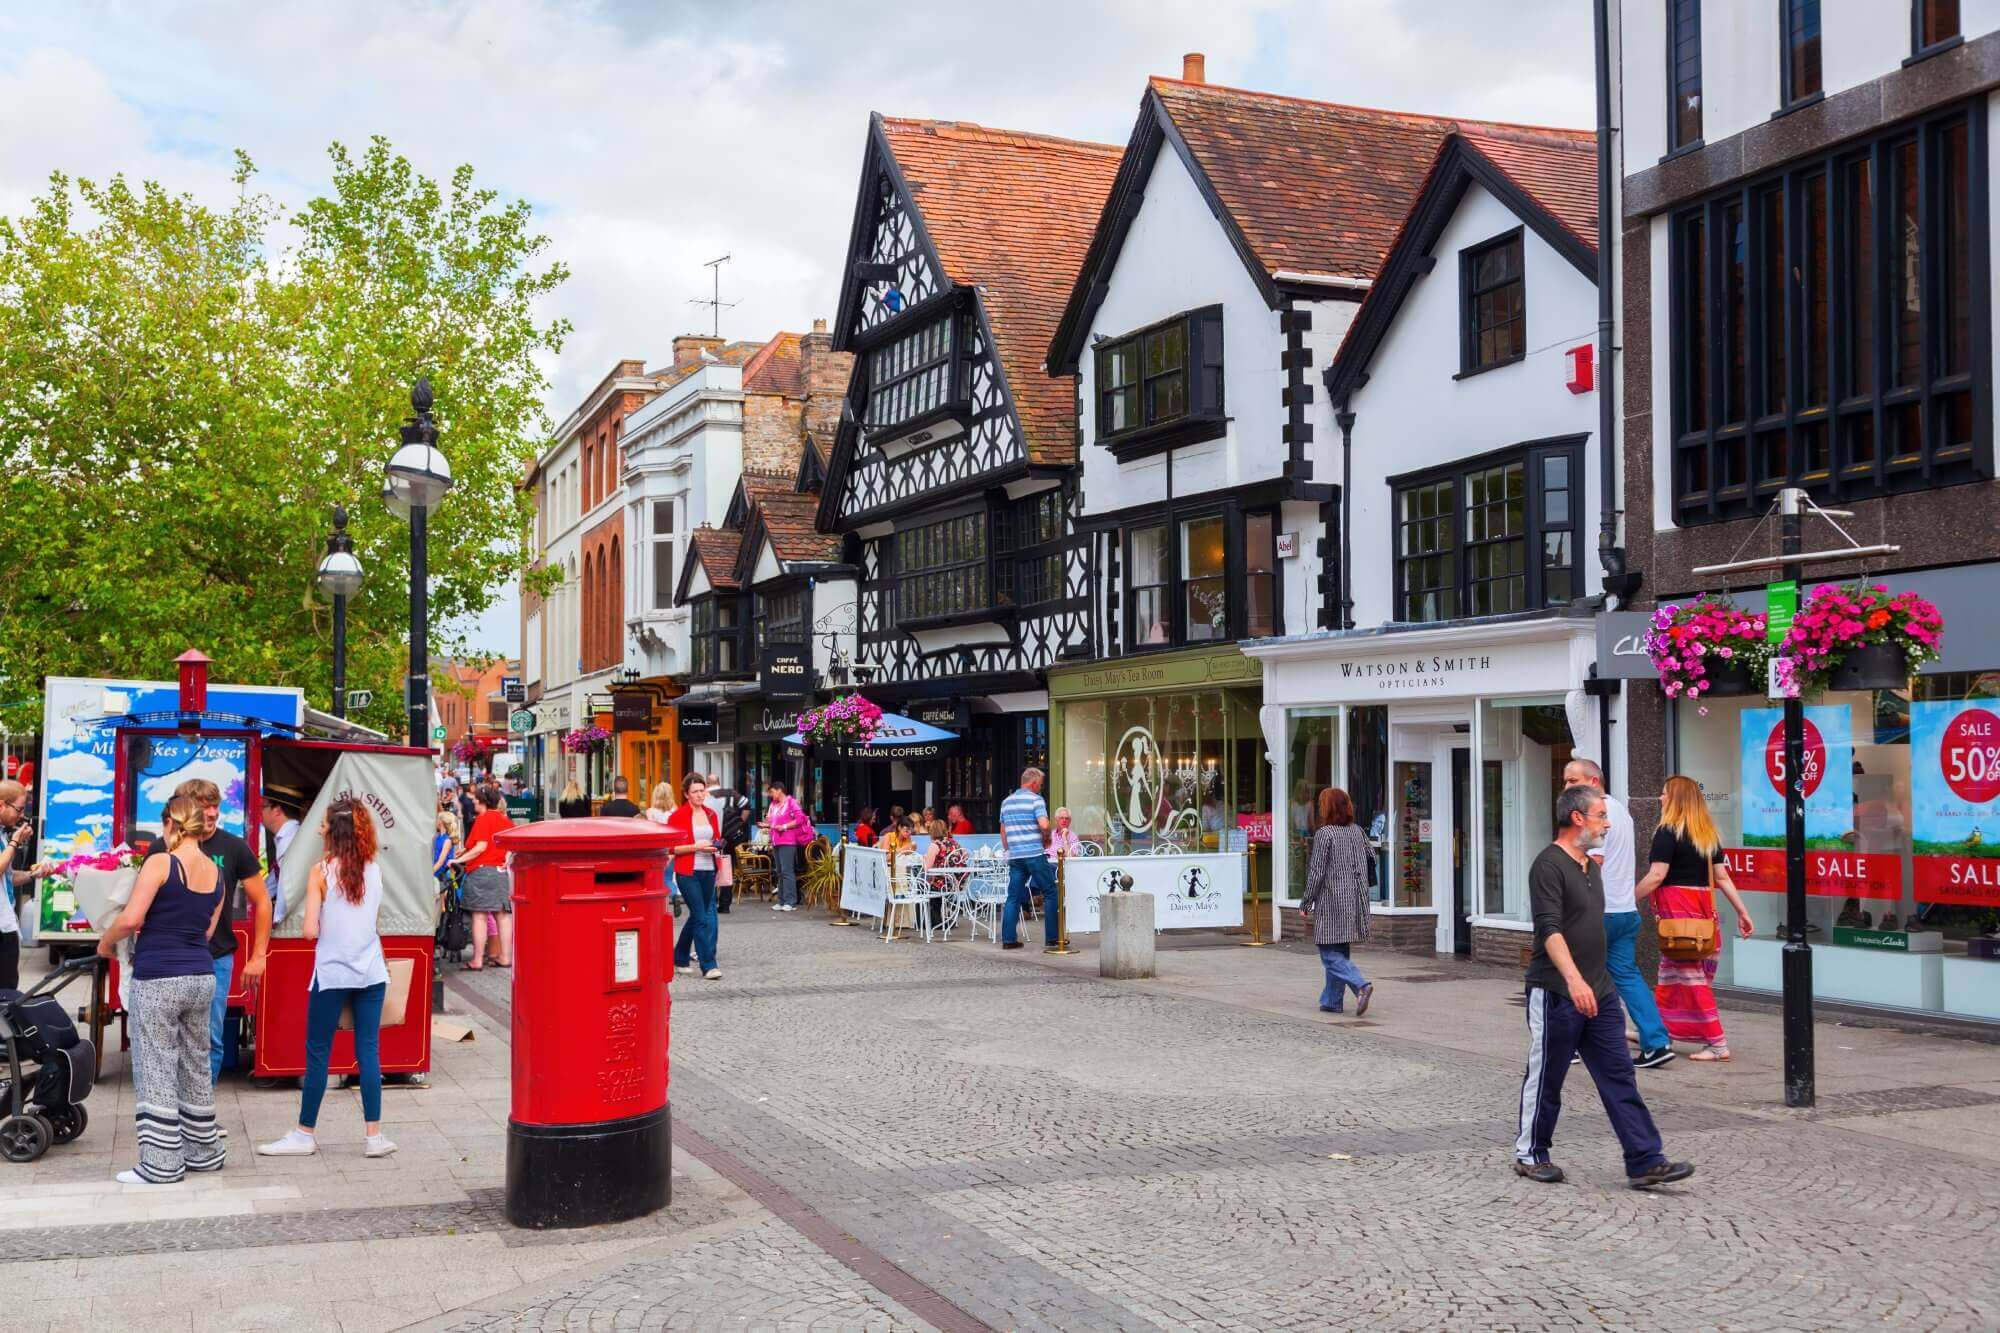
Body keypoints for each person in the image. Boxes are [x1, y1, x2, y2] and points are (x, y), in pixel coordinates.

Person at [1514, 784, 1693, 1190]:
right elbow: (1549, 930)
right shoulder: (1548, 865)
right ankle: (1531, 1152)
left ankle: (1645, 1160)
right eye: (1600, 815)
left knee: (1619, 1076)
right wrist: (1574, 980)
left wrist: (1596, 982)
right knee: (1548, 1076)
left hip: (1601, 990)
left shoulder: (1590, 867)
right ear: (1577, 818)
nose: (1607, 823)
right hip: (1556, 990)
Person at [257, 797, 396, 1160]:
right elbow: (375, 922)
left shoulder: (320, 871)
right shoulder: (375, 870)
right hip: (371, 971)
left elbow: (307, 931)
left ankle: (305, 1133)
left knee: (318, 1053)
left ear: (334, 831)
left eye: (322, 824)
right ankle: (374, 1136)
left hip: (332, 972)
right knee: (369, 1052)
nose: (318, 829)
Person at [98, 794, 227, 1184]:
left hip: (158, 977)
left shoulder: (161, 862)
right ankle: (203, 1151)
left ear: (171, 823)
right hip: (201, 976)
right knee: (194, 1064)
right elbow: (206, 930)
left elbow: (132, 918)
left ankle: (161, 1164)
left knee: (155, 1066)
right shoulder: (215, 871)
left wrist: (105, 943)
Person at [141, 778, 271, 1086]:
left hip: (216, 958)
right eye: (203, 805)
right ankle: (173, 1109)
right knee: (165, 1040)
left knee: (210, 1038)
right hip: (168, 959)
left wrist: (258, 955)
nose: (211, 812)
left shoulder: (233, 846)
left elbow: (262, 900)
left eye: (215, 805)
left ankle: (203, 1112)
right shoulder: (161, 847)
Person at [1636, 775, 1756, 1062]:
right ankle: (1658, 1031)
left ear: (1675, 799)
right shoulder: (1707, 834)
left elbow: (1656, 876)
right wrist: (1743, 911)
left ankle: (1717, 1044)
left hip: (1679, 915)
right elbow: (1722, 877)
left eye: (1664, 794)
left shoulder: (1667, 832)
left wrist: (1627, 899)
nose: (1660, 798)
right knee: (1671, 978)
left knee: (1691, 980)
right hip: (1703, 915)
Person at [1562, 759, 1673, 1069]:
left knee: (1570, 973)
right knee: (1627, 976)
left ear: (1594, 782)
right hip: (1624, 909)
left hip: (1599, 912)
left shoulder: (1593, 815)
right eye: (1566, 782)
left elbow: (1591, 862)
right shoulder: (1623, 812)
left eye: (1573, 781)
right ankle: (1656, 1041)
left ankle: (1569, 1043)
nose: (1567, 787)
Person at [1300, 787, 1373, 1016]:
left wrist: (1306, 902)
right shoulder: (1358, 831)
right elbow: (1371, 858)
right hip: (1355, 898)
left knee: (1329, 954)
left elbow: (1317, 871)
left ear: (1327, 808)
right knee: (1340, 951)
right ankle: (1332, 1000)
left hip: (1332, 900)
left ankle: (1361, 985)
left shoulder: (1325, 834)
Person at [666, 775, 723, 979]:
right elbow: (671, 847)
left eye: (702, 790)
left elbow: (716, 838)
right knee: (702, 917)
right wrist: (695, 847)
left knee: (697, 916)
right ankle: (708, 965)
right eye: (695, 792)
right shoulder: (678, 816)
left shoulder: (710, 814)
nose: (700, 795)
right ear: (686, 794)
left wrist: (716, 845)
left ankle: (680, 956)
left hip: (709, 869)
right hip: (687, 871)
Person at [451, 786, 514, 970]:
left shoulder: (483, 819)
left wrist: (458, 859)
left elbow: (481, 847)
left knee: (479, 915)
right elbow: (512, 847)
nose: (473, 801)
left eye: (476, 799)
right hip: (500, 873)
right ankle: (505, 957)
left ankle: (477, 960)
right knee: (502, 915)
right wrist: (506, 861)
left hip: (481, 872)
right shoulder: (505, 819)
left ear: (483, 802)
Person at [0, 779, 51, 990]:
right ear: (1, 805)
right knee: (5, 990)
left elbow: (8, 877)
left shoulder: (3, 835)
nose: (21, 815)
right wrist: (15, 842)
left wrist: (34, 874)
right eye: (18, 809)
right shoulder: (8, 839)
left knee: (9, 985)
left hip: (6, 923)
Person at [999, 768, 1056, 950]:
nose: (1040, 788)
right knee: (1050, 892)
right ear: (1033, 783)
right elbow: (1044, 824)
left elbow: (1003, 831)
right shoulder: (1036, 800)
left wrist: (1009, 849)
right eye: (1039, 785)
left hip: (1015, 856)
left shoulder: (1006, 802)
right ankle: (1053, 938)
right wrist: (1046, 838)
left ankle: (1008, 939)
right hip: (1033, 853)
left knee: (1013, 897)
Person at [765, 780, 810, 912]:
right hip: (775, 840)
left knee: (787, 871)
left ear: (779, 790)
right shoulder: (774, 805)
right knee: (779, 872)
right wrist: (767, 823)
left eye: (772, 792)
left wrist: (784, 826)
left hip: (787, 840)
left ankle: (790, 901)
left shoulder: (791, 802)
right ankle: (781, 900)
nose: (771, 795)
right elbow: (772, 821)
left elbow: (800, 818)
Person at [259, 790, 303, 922]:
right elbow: (272, 883)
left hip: (293, 923)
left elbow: (287, 884)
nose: (260, 812)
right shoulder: (283, 837)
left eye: (263, 807)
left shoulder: (292, 838)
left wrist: (279, 919)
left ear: (277, 810)